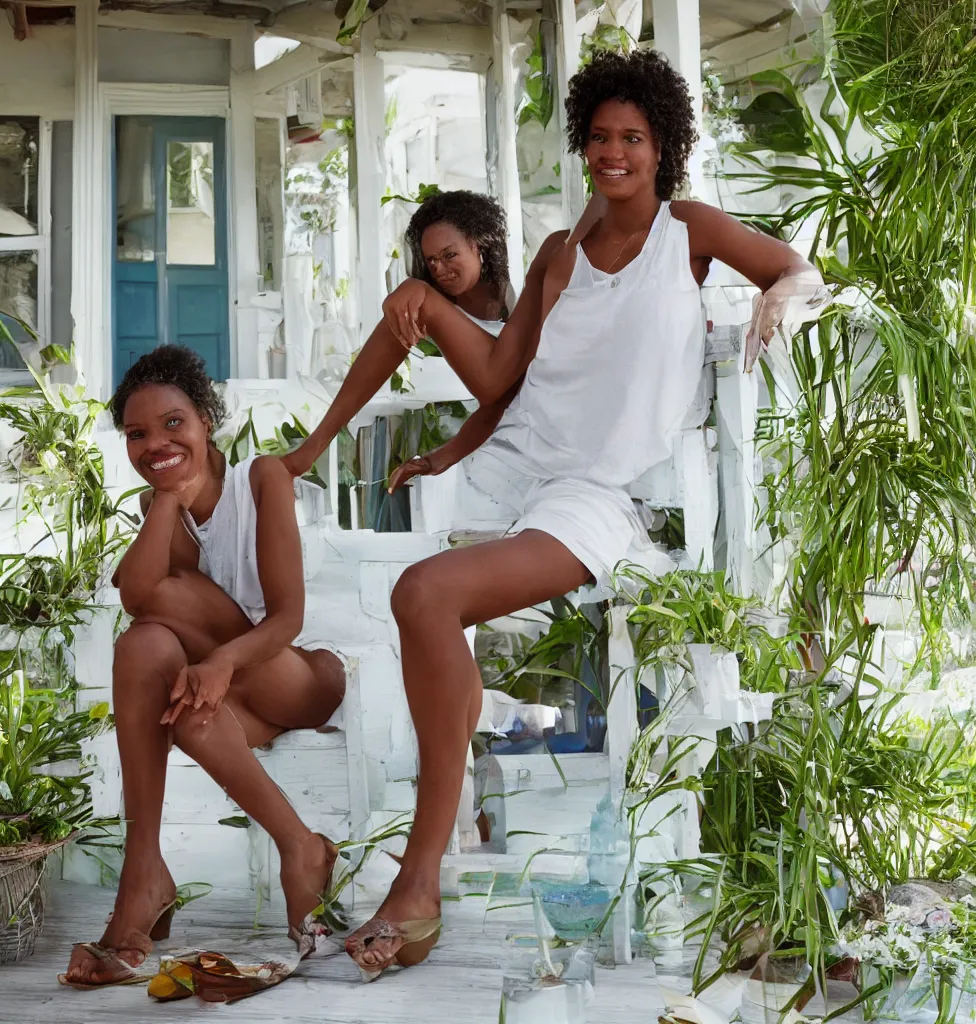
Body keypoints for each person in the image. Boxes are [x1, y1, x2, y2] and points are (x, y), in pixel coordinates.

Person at [283, 49, 827, 981]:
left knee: (423, 594)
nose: (615, 152)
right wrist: (450, 442)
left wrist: (777, 294)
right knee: (410, 318)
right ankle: (307, 451)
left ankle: (418, 886)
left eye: (635, 138)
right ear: (582, 143)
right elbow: (499, 380)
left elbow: (797, 268)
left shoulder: (684, 233)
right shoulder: (557, 255)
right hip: (518, 464)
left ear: (662, 148)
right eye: (602, 136)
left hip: (598, 494)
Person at [61, 346, 347, 989]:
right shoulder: (162, 506)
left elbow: (287, 618)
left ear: (205, 421)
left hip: (299, 676)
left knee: (167, 599)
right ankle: (285, 850)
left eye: (172, 423)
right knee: (146, 654)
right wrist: (165, 500)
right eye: (137, 434)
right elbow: (133, 596)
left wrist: (219, 661)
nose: (155, 442)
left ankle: (145, 882)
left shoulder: (261, 479)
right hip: (230, 697)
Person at [285, 188, 519, 491]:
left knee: (417, 299)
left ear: (479, 245)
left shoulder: (521, 299)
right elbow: (498, 404)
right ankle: (312, 448)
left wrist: (415, 290)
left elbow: (506, 396)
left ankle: (310, 449)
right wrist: (439, 458)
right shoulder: (444, 307)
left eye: (450, 255)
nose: (440, 270)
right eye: (431, 260)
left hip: (538, 451)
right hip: (487, 455)